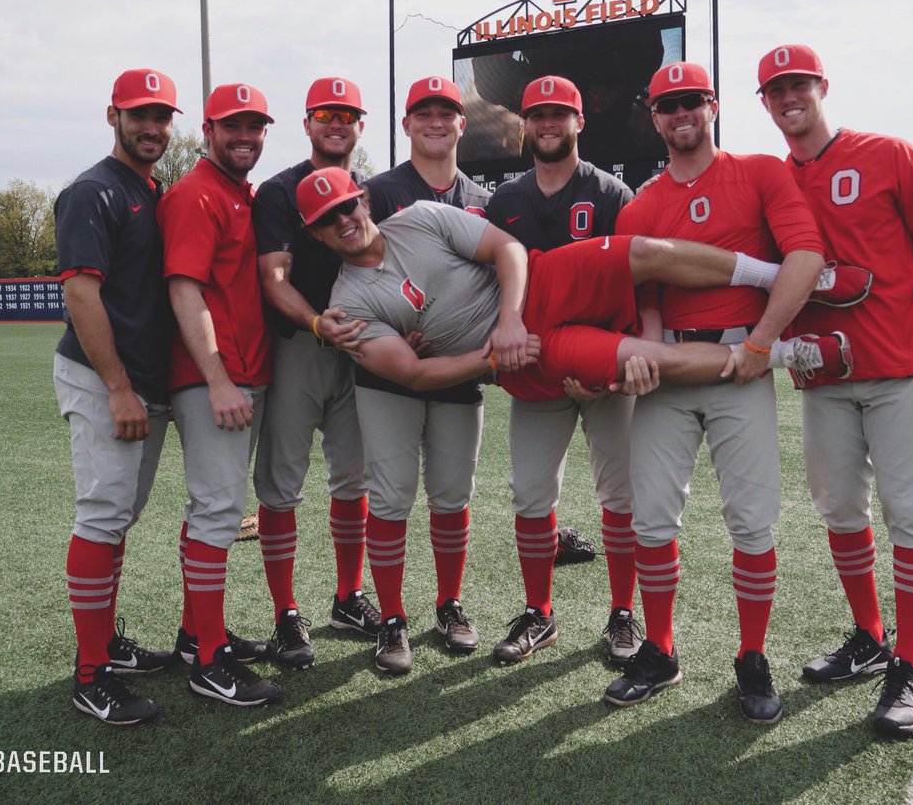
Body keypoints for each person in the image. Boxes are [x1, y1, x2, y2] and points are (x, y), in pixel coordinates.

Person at [297, 166, 857, 677]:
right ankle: (788, 353)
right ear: (316, 235)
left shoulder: (418, 218)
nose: (344, 221)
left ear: (363, 200)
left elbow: (509, 250)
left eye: (348, 206)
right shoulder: (347, 301)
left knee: (639, 251)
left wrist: (509, 320)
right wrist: (494, 357)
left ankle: (783, 277)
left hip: (538, 286)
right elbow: (415, 374)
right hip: (530, 357)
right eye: (328, 219)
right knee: (634, 359)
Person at [755, 44, 913, 737]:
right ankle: (869, 635)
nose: (790, 97)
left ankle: (908, 666)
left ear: (822, 86)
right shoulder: (769, 179)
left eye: (799, 84)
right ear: (763, 103)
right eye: (776, 89)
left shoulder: (887, 154)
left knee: (912, 515)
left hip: (906, 366)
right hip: (825, 378)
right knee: (841, 510)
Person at [603, 62, 833, 725]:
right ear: (654, 117)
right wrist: (650, 353)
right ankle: (661, 647)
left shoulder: (760, 171)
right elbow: (642, 297)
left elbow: (806, 257)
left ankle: (752, 655)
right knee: (651, 519)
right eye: (668, 106)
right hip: (674, 364)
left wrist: (761, 343)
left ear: (714, 106)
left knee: (752, 520)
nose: (681, 115)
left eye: (692, 103)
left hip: (743, 360)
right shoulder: (643, 203)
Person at [486, 75, 642, 667]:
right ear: (525, 125)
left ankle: (622, 612)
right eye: (537, 115)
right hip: (534, 371)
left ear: (580, 121)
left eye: (559, 114)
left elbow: (632, 283)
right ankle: (539, 612)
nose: (548, 124)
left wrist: (613, 363)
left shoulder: (611, 193)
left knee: (620, 493)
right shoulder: (505, 201)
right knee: (529, 493)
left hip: (600, 368)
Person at [351, 77, 492, 675]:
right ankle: (390, 617)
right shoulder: (376, 192)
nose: (436, 122)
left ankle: (448, 603)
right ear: (405, 124)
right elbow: (355, 271)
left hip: (461, 370)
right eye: (423, 113)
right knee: (389, 497)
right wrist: (387, 327)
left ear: (462, 125)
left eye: (447, 113)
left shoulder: (484, 196)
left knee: (453, 494)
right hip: (388, 373)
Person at [54, 68, 180, 726]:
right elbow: (81, 293)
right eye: (140, 115)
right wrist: (119, 388)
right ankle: (90, 674)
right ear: (114, 116)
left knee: (119, 516)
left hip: (142, 384)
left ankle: (106, 648)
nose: (153, 127)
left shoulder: (153, 191)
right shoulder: (94, 191)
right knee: (102, 517)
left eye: (162, 116)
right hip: (107, 380)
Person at [251, 77, 380, 672]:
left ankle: (348, 598)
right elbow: (272, 279)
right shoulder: (279, 191)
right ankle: (284, 613)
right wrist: (316, 325)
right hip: (300, 345)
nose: (336, 123)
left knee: (353, 480)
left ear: (361, 125)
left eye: (347, 113)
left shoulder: (369, 192)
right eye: (325, 113)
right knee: (281, 485)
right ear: (307, 124)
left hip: (359, 349)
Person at [158, 82, 280, 707]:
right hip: (214, 379)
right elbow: (185, 291)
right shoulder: (195, 195)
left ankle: (194, 634)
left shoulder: (239, 193)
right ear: (207, 131)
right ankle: (210, 661)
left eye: (255, 126)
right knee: (216, 513)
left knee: (212, 509)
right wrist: (217, 378)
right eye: (232, 126)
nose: (244, 137)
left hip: (242, 373)